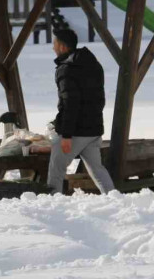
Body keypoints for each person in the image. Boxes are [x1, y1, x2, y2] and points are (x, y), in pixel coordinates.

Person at [47, 29, 115, 194]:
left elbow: (70, 103)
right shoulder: (93, 64)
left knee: (56, 170)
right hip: (94, 128)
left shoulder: (66, 69)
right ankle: (114, 197)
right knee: (97, 170)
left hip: (76, 132)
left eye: (54, 43)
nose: (53, 47)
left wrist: (66, 134)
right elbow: (99, 98)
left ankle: (51, 204)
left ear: (62, 47)